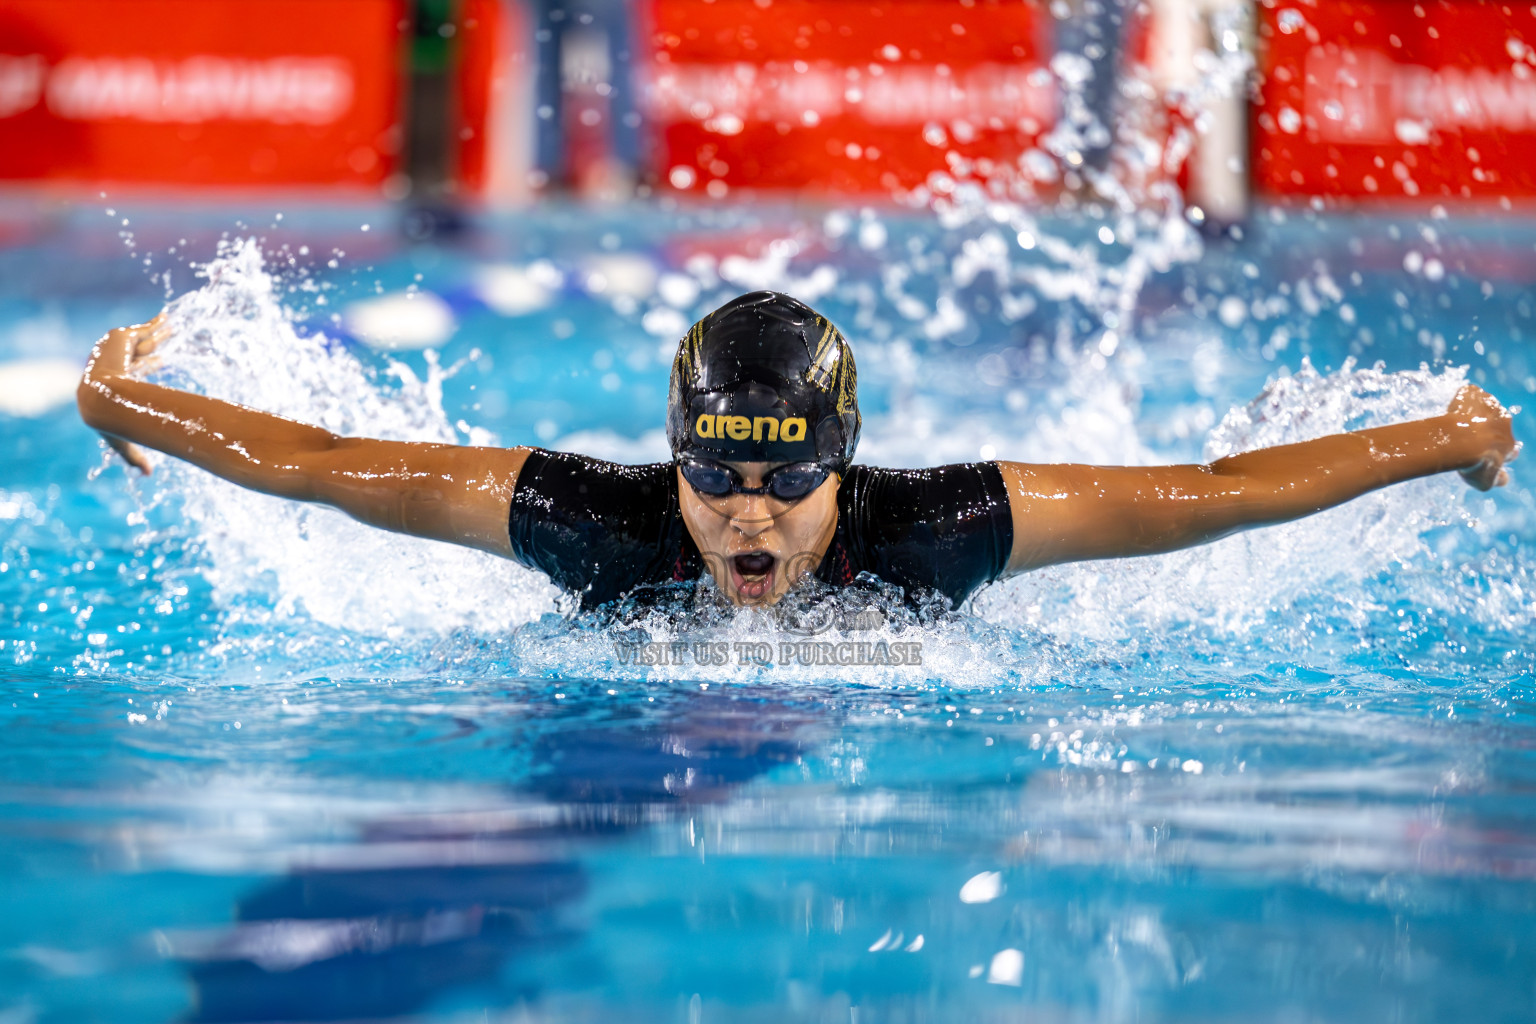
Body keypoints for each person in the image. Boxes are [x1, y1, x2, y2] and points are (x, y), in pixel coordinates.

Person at [78, 291, 1518, 612]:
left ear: (847, 464)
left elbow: (1214, 498)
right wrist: (125, 402)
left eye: (785, 479)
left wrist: (1446, 435)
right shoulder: (599, 521)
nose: (746, 516)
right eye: (714, 477)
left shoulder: (938, 525)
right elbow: (327, 459)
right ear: (673, 462)